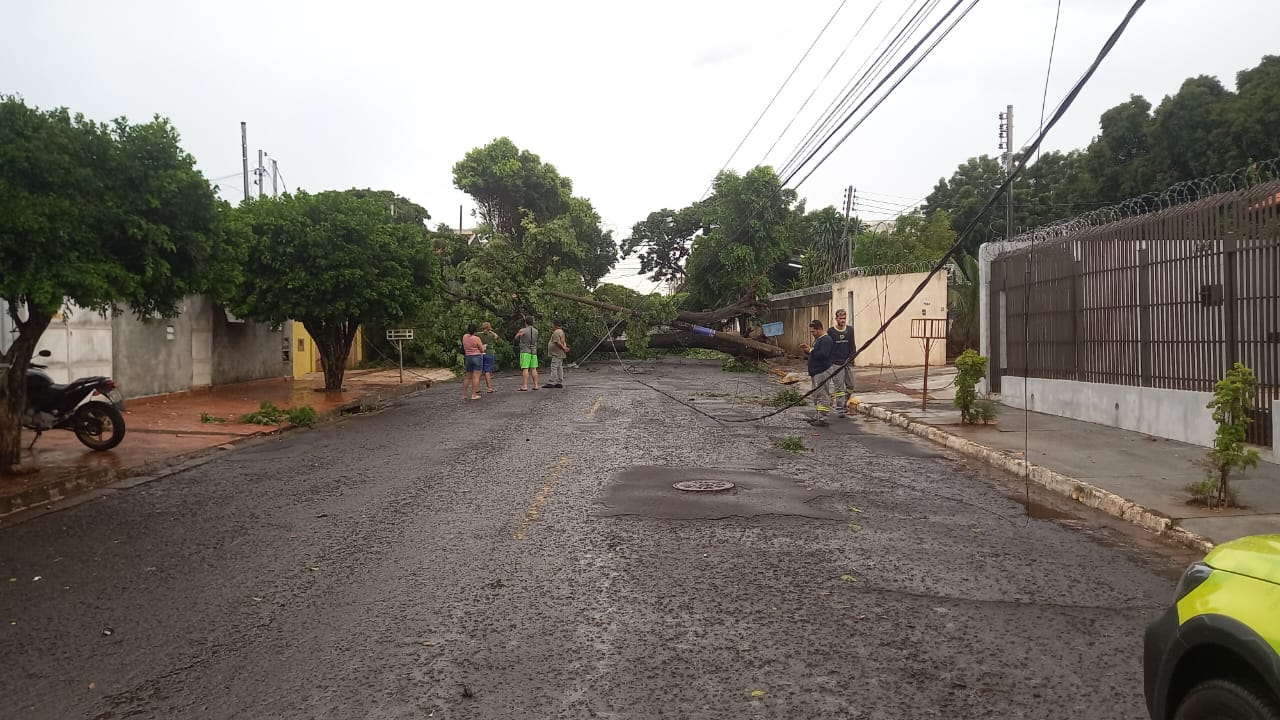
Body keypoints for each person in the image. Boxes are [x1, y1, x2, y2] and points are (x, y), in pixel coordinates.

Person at [799, 319, 835, 427]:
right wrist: (807, 350)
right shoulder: (818, 340)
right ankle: (818, 416)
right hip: (816, 372)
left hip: (822, 371)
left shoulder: (826, 340)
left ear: (819, 329)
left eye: (813, 332)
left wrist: (810, 350)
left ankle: (823, 418)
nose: (812, 334)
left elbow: (823, 355)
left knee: (822, 394)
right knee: (816, 395)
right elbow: (815, 354)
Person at [827, 308, 855, 418]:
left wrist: (852, 357)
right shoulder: (831, 332)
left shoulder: (850, 330)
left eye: (844, 318)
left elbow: (852, 345)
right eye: (840, 318)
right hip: (836, 363)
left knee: (850, 385)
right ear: (836, 319)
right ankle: (840, 408)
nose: (843, 320)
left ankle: (844, 402)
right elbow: (829, 347)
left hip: (847, 362)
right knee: (839, 388)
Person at [461, 323, 485, 401]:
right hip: (477, 356)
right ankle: (474, 394)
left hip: (468, 357)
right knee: (476, 376)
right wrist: (484, 347)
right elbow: (481, 349)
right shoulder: (477, 338)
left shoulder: (464, 336)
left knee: (468, 377)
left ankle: (464, 394)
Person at [515, 316, 540, 391]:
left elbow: (516, 338)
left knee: (525, 368)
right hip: (534, 351)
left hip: (525, 351)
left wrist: (519, 335)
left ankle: (525, 385)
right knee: (534, 368)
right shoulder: (536, 331)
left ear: (525, 322)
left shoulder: (522, 330)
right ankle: (536, 385)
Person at [478, 321, 499, 393]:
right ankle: (489, 388)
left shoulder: (479, 335)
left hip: (481, 353)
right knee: (487, 371)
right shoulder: (491, 335)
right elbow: (496, 337)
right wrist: (490, 331)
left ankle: (477, 388)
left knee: (479, 371)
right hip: (489, 353)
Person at [547, 319, 569, 388]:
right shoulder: (561, 332)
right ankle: (559, 381)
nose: (551, 326)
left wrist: (563, 348)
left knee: (554, 367)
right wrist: (564, 347)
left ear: (555, 325)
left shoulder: (556, 332)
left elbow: (557, 342)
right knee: (559, 367)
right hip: (560, 353)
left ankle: (552, 382)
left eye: (552, 325)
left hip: (556, 353)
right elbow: (563, 341)